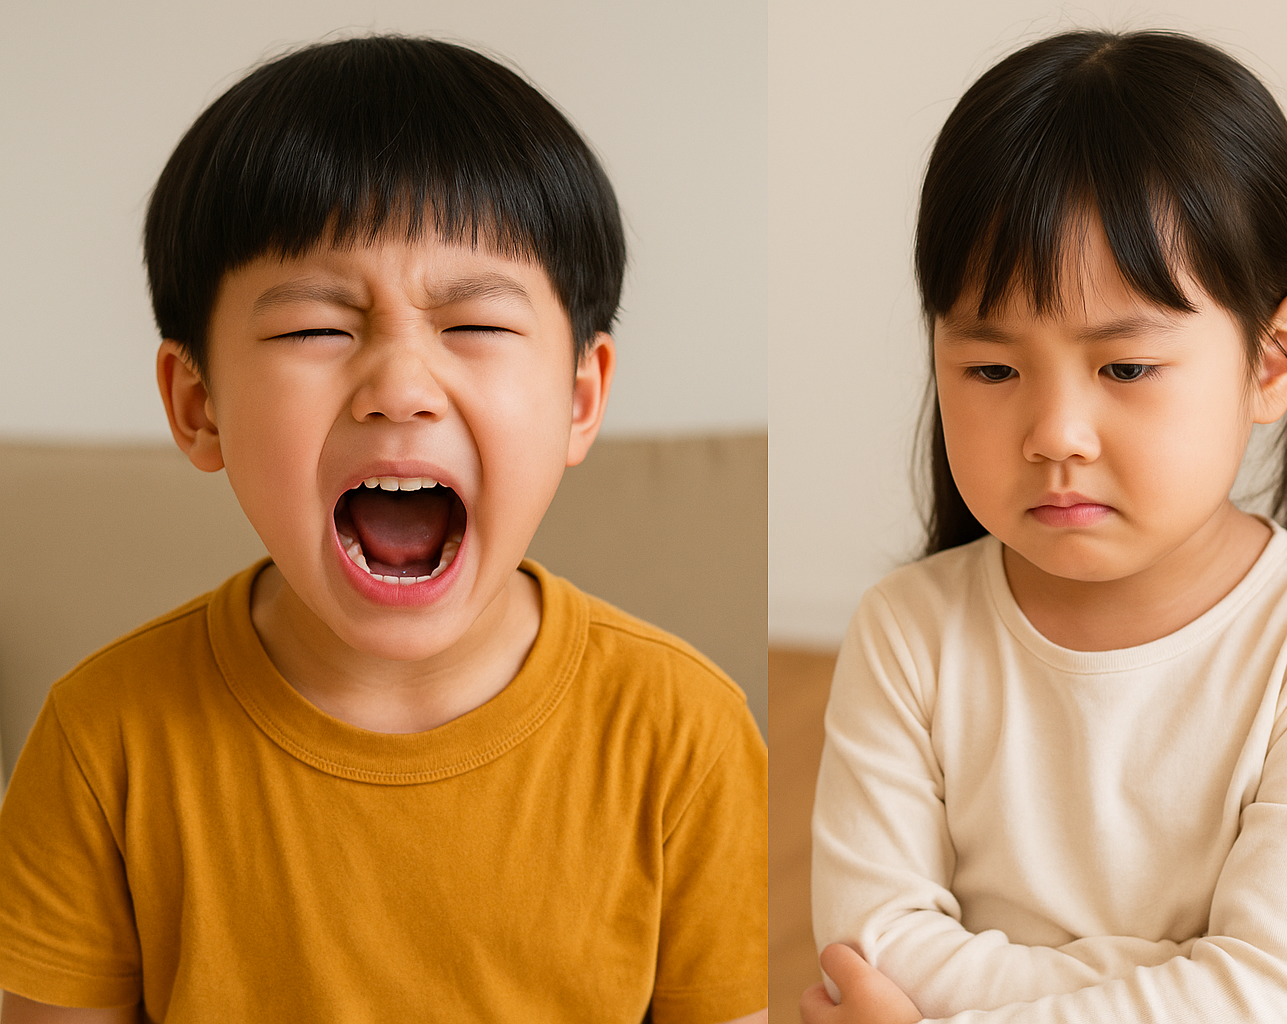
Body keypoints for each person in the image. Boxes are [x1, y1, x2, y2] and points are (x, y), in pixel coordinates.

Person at [0, 36, 765, 1024]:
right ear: (198, 406)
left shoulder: (685, 734)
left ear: (582, 398)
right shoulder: (103, 736)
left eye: (475, 326)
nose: (400, 388)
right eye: (315, 328)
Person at [803, 29, 1287, 1024]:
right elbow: (870, 946)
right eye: (992, 369)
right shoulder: (906, 631)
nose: (1055, 434)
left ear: (1274, 356)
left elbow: (1274, 994)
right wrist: (1179, 972)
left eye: (1124, 368)